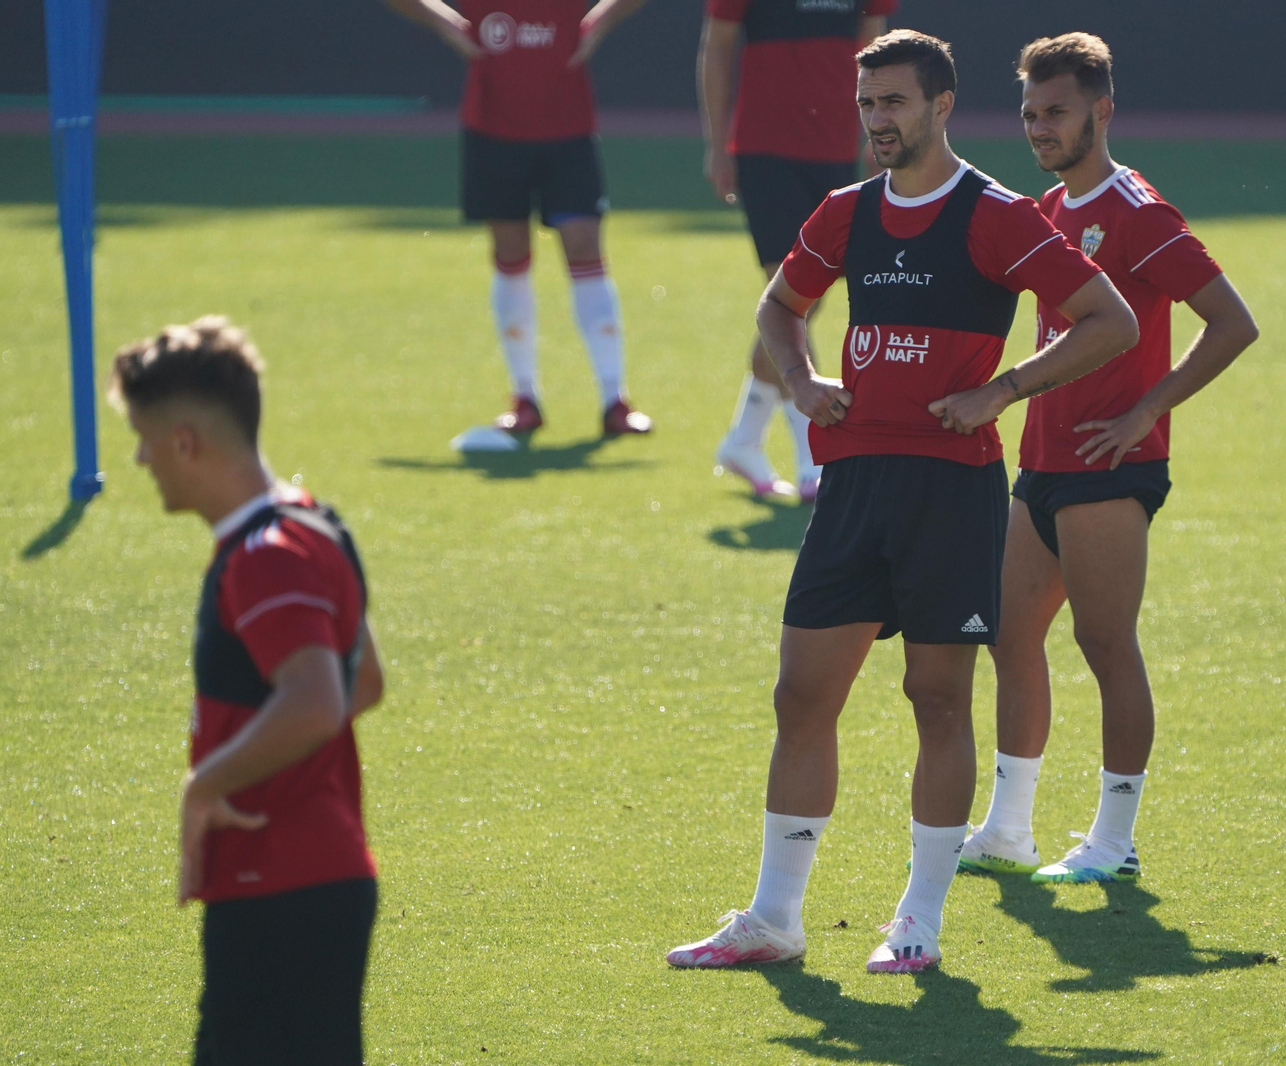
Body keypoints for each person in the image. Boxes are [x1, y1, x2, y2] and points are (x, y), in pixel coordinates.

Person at [666, 31, 1138, 974]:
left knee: (936, 700)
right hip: (854, 487)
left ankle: (918, 920)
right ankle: (774, 918)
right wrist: (799, 385)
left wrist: (1003, 390)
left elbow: (1110, 321)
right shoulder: (845, 212)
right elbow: (778, 306)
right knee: (801, 695)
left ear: (942, 105)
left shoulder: (995, 216)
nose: (879, 120)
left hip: (949, 490)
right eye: (868, 103)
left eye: (896, 103)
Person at [959, 33, 1258, 885]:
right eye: (1028, 113)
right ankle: (1009, 828)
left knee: (1103, 643)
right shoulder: (1047, 212)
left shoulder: (1138, 210)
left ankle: (1113, 841)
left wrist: (1147, 408)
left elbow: (1233, 322)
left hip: (1108, 467)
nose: (1039, 128)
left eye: (1055, 112)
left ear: (1103, 110)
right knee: (1011, 637)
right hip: (1042, 459)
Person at [108, 317, 386, 1064]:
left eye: (142, 437)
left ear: (186, 441)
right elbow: (363, 679)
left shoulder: (264, 557)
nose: (139, 458)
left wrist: (206, 786)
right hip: (321, 881)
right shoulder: (315, 523)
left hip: (276, 889)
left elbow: (318, 699)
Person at [384, 0, 653, 446]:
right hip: (493, 128)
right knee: (510, 252)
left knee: (584, 246)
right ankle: (525, 398)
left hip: (567, 127)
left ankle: (614, 400)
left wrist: (602, 19)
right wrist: (445, 22)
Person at [700, 0, 894, 501]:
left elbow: (876, 53)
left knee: (806, 301)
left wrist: (877, 139)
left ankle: (743, 439)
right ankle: (814, 462)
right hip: (765, 150)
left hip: (834, 150)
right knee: (791, 302)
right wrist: (717, 144)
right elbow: (718, 48)